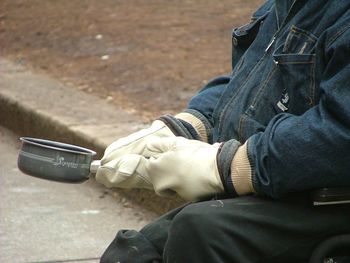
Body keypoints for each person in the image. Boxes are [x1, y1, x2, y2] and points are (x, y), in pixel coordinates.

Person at [95, 0, 350, 262]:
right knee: (133, 253)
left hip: (328, 199)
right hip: (283, 185)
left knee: (199, 231)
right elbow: (252, 81)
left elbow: (341, 135)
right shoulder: (289, 5)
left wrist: (230, 167)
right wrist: (186, 127)